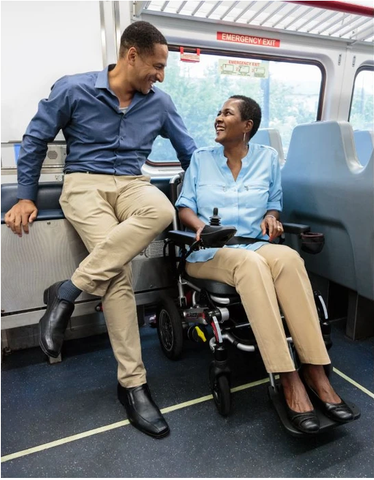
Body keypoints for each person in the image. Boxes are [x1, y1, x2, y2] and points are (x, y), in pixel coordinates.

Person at [4, 21, 196, 439]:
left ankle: (68, 292)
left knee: (162, 212)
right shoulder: (74, 89)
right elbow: (35, 138)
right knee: (118, 279)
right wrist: (25, 195)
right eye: (157, 66)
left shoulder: (160, 104)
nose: (160, 76)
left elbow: (191, 154)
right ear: (131, 55)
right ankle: (133, 385)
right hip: (84, 183)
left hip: (132, 183)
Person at [175, 95, 354, 434]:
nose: (218, 117)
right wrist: (200, 228)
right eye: (218, 111)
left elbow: (273, 203)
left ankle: (315, 371)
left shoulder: (267, 159)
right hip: (210, 253)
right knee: (250, 264)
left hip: (254, 245)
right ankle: (288, 377)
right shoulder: (201, 159)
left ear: (247, 126)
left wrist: (272, 217)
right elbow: (185, 206)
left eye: (227, 113)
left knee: (288, 257)